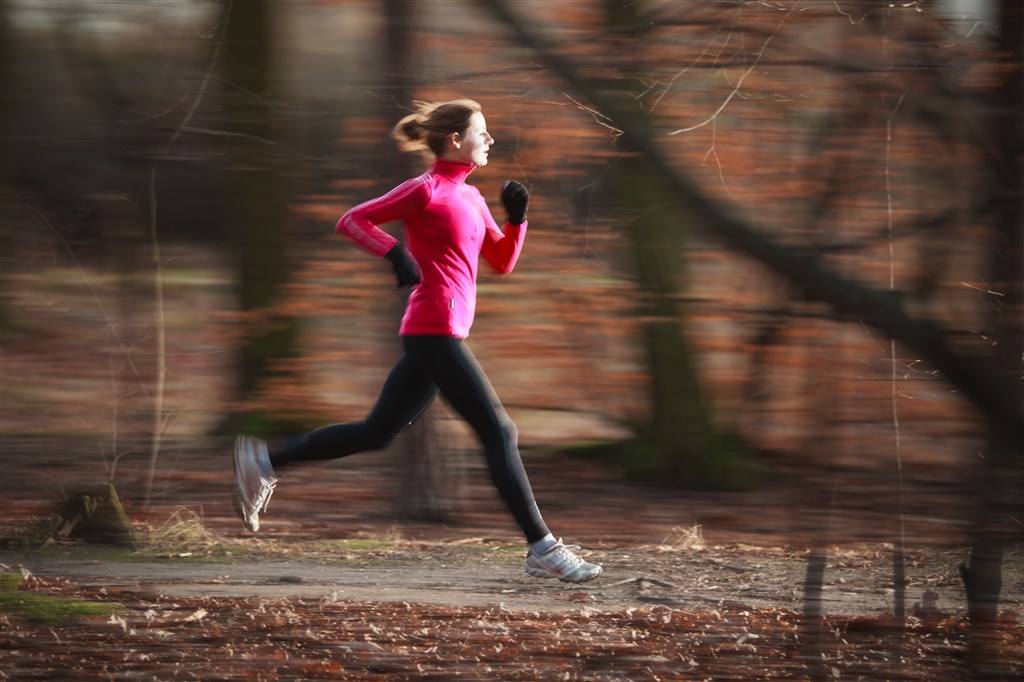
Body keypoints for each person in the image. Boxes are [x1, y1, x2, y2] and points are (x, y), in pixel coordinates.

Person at [233, 99, 601, 584]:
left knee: (377, 432)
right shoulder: (424, 190)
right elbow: (353, 220)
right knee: (500, 432)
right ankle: (543, 549)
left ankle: (263, 460)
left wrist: (517, 219)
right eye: (482, 131)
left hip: (439, 332)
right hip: (434, 328)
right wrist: (395, 252)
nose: (490, 139)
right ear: (455, 140)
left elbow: (502, 262)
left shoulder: (469, 197)